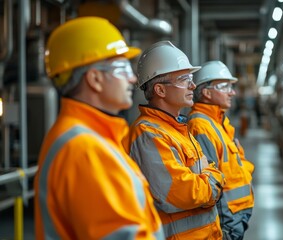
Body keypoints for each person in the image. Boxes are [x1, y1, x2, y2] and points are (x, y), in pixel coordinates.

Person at [34, 16, 164, 239]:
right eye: (122, 68)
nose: (132, 78)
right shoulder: (84, 149)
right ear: (94, 79)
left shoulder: (91, 137)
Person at [122, 41, 225, 240]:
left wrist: (207, 175)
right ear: (160, 90)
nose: (192, 85)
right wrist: (214, 180)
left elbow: (209, 168)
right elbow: (181, 193)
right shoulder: (148, 133)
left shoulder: (178, 128)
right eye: (184, 79)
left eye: (191, 78)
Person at [188, 60, 255, 240]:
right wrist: (225, 225)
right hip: (229, 218)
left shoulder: (219, 122)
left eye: (231, 86)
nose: (232, 92)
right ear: (207, 92)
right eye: (225, 86)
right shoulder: (200, 126)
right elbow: (211, 182)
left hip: (238, 212)